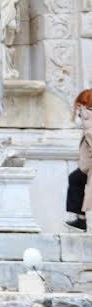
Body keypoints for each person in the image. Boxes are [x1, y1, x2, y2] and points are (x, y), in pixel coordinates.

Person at [67, 88, 92, 230]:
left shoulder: (88, 116)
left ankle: (80, 220)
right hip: (86, 167)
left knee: (75, 179)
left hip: (88, 166)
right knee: (75, 179)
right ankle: (80, 219)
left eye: (79, 105)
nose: (77, 109)